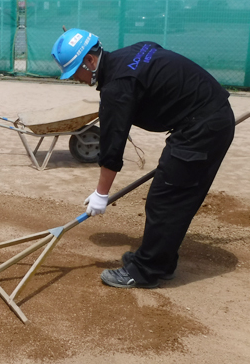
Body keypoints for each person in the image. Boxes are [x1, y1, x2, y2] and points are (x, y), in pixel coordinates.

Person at [51, 28, 235, 289]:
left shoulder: (116, 87)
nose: (75, 79)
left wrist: (101, 194)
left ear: (90, 61)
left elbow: (112, 148)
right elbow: (158, 60)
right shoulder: (134, 51)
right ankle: (161, 260)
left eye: (74, 73)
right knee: (170, 194)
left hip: (202, 129)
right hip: (205, 118)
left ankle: (146, 271)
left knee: (167, 199)